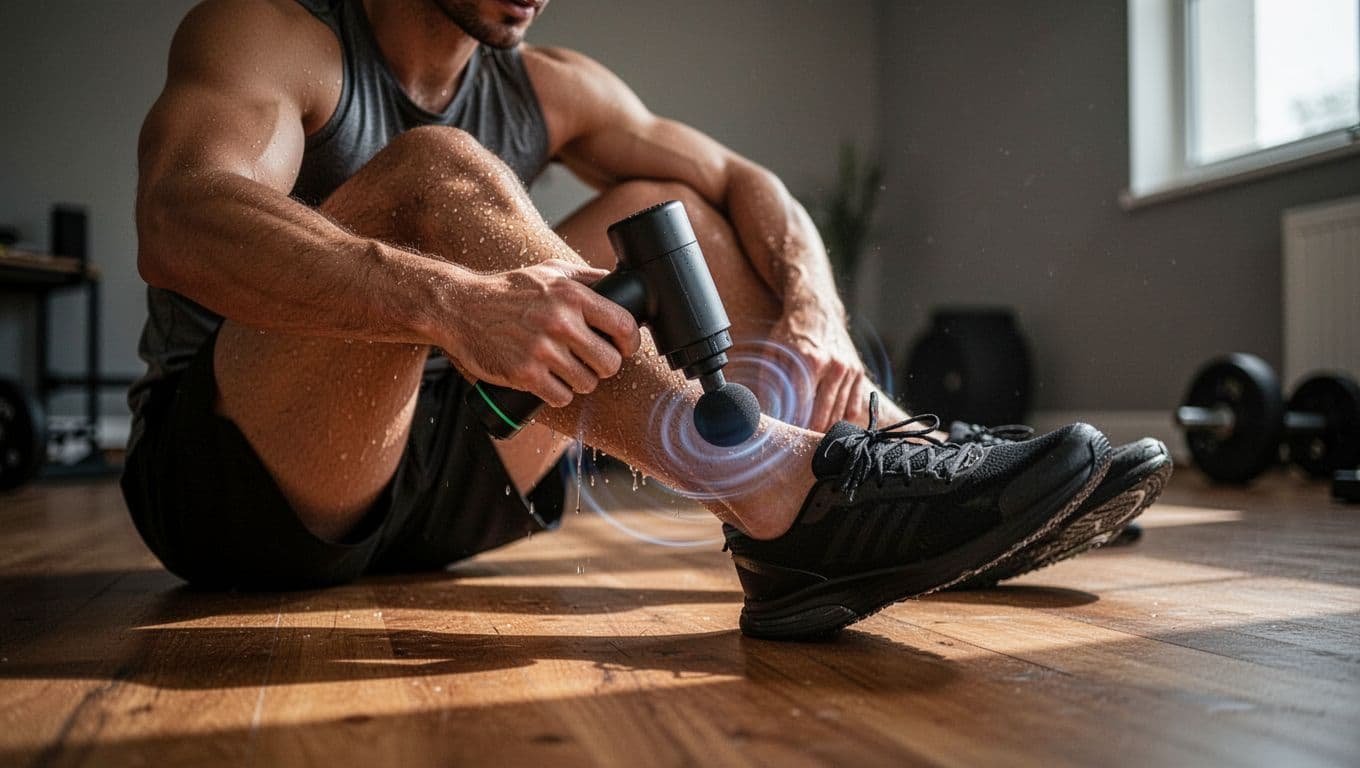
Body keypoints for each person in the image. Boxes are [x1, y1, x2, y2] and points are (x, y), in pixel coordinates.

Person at [123, 0, 1168, 641]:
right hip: (242, 486)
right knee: (433, 176)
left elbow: (743, 180)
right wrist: (451, 300)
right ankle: (786, 496)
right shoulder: (273, 33)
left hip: (458, 480)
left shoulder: (549, 83)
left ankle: (893, 453)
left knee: (672, 214)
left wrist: (816, 312)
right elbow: (176, 219)